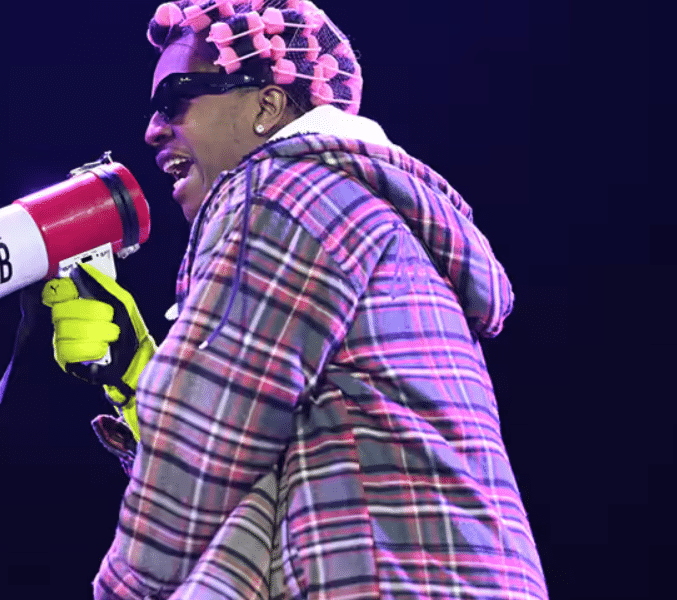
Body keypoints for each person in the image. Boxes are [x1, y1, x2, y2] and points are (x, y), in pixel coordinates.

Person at [40, 1, 549, 598]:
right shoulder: (352, 203)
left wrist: (122, 589)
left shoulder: (285, 191)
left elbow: (203, 444)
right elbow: (250, 483)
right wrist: (136, 378)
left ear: (266, 106)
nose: (152, 129)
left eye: (174, 100)